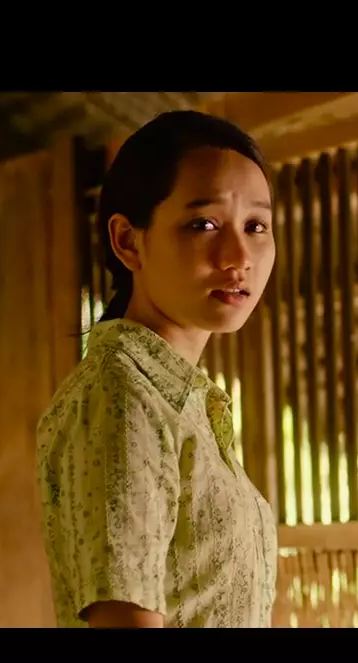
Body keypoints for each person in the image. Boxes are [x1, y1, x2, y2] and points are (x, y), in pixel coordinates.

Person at [37, 110, 277, 628]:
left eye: (255, 226)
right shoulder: (121, 395)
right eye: (203, 224)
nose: (239, 256)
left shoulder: (181, 401)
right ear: (128, 241)